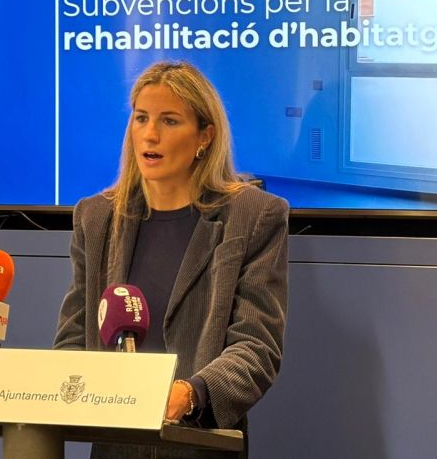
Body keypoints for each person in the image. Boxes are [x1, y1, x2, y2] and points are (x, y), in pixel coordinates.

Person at [54, 60, 289, 458]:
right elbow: (73, 339)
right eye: (141, 118)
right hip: (116, 447)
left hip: (198, 443)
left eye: (169, 120)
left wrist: (190, 394)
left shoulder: (253, 216)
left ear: (205, 137)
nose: (151, 134)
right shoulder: (96, 218)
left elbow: (256, 346)